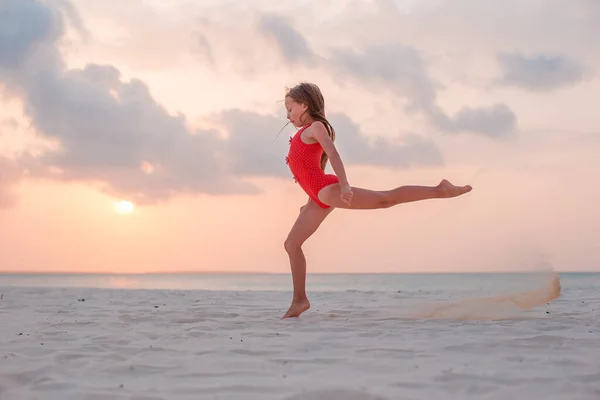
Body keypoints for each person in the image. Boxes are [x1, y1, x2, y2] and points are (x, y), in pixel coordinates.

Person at [281, 82, 472, 319]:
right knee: (291, 244)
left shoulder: (316, 127)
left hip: (328, 189)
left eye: (290, 109)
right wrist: (309, 200)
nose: (287, 115)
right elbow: (309, 168)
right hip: (317, 195)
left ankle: (440, 190)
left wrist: (345, 185)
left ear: (304, 105)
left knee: (385, 199)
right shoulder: (304, 133)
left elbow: (333, 153)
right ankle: (300, 300)